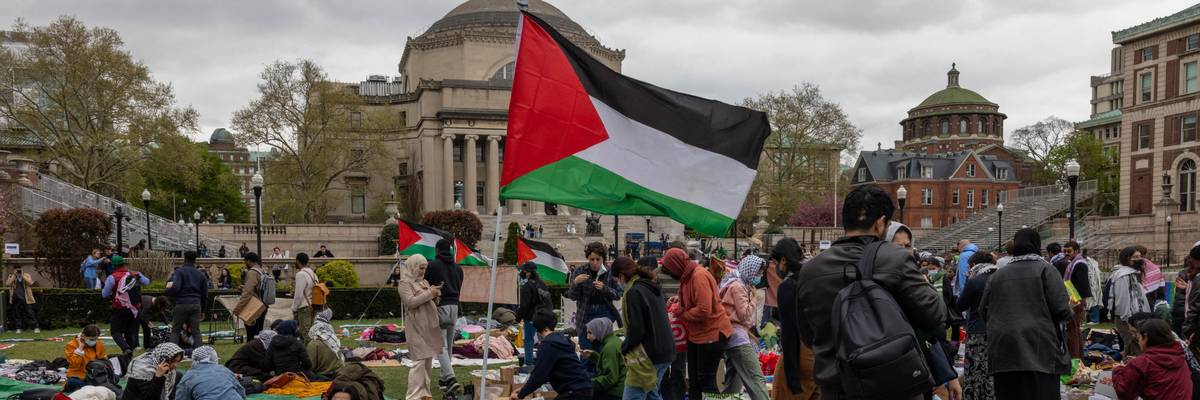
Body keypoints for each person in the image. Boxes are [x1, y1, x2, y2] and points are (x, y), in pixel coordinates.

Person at [793, 185, 945, 399]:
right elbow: (935, 317)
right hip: (893, 385)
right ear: (880, 223)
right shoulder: (896, 259)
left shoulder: (810, 270)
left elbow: (808, 336)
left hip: (838, 386)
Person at [979, 228, 1072, 400]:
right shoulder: (1047, 270)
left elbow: (983, 310)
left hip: (1003, 349)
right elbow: (1061, 309)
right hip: (1039, 349)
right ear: (1037, 245)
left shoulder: (997, 274)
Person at [661, 247, 734, 400]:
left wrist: (682, 313)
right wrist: (679, 300)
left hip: (712, 334)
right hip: (697, 335)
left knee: (706, 380)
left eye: (671, 270)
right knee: (694, 381)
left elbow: (704, 309)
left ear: (677, 265)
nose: (671, 275)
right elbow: (694, 299)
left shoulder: (698, 276)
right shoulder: (687, 276)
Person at [610, 256, 673, 400]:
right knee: (651, 394)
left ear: (621, 276)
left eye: (616, 280)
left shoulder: (634, 292)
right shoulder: (649, 286)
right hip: (664, 350)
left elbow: (637, 329)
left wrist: (624, 347)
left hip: (647, 355)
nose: (617, 284)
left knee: (633, 396)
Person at [770, 238, 819, 400]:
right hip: (820, 356)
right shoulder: (814, 278)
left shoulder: (788, 286)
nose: (775, 267)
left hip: (799, 354)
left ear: (783, 260)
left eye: (775, 262)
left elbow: (789, 333)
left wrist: (792, 378)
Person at [718, 255, 770, 400]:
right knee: (756, 379)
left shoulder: (733, 283)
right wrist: (754, 298)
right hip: (738, 340)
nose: (759, 276)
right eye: (758, 273)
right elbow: (744, 315)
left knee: (733, 382)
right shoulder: (738, 287)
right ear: (750, 270)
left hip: (732, 336)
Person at [510, 310, 593, 400]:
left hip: (574, 391)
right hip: (584, 387)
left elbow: (539, 375)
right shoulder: (562, 339)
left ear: (539, 328)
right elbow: (545, 374)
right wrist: (524, 389)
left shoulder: (547, 345)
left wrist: (520, 395)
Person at [565, 242, 622, 370]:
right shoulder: (580, 271)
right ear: (588, 258)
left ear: (603, 259)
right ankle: (587, 383)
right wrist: (575, 283)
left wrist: (605, 289)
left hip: (603, 316)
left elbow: (618, 294)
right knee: (586, 352)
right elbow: (572, 296)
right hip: (586, 315)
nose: (595, 262)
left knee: (603, 351)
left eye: (598, 259)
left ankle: (603, 379)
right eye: (592, 259)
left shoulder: (609, 272)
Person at [1113, 318, 1194, 400]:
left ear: (1146, 337)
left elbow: (1124, 392)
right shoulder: (1180, 357)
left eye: (1139, 338)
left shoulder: (1142, 363)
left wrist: (1117, 369)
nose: (1139, 342)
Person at [399, 254, 443, 400]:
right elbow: (411, 302)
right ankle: (413, 396)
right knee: (419, 361)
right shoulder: (404, 283)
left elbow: (428, 302)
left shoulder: (424, 282)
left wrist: (435, 295)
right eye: (421, 268)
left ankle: (425, 394)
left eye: (424, 268)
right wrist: (430, 293)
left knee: (428, 360)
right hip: (416, 327)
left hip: (429, 326)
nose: (423, 271)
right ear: (413, 266)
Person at [423, 239, 463, 394]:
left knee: (440, 346)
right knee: (448, 345)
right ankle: (443, 380)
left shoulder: (432, 265)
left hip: (440, 306)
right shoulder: (458, 268)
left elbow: (425, 285)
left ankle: (451, 378)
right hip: (454, 307)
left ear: (437, 250)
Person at [956, 251, 998, 400]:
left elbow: (960, 305)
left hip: (977, 330)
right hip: (999, 331)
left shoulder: (975, 281)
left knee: (976, 369)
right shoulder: (1002, 277)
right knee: (993, 369)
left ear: (974, 264)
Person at [101, 255, 150, 354]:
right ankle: (129, 354)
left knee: (115, 332)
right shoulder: (135, 273)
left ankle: (125, 349)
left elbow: (104, 294)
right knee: (129, 333)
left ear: (114, 265)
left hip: (120, 308)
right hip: (135, 309)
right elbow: (147, 282)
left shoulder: (112, 277)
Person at [1112, 245, 1153, 355]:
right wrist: (1127, 320)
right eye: (1135, 257)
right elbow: (1122, 299)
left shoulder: (1133, 274)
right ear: (1127, 259)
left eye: (1140, 256)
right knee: (1132, 347)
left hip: (1136, 317)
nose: (1139, 259)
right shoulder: (1123, 275)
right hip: (1127, 318)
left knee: (1136, 347)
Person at [166, 251, 209, 352]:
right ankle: (200, 354)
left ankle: (172, 354)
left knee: (176, 330)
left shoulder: (179, 272)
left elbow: (175, 288)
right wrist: (203, 310)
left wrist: (167, 290)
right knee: (196, 331)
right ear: (195, 259)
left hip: (181, 303)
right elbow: (205, 295)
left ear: (184, 258)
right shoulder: (200, 274)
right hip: (196, 304)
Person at [516, 261, 553, 366]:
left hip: (531, 317)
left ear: (527, 272)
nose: (522, 272)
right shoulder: (542, 284)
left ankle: (529, 363)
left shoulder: (527, 286)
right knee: (545, 340)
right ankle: (546, 361)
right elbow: (548, 301)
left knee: (529, 340)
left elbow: (524, 305)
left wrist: (518, 318)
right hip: (544, 316)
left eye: (523, 270)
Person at [1059, 241, 1091, 359]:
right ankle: (1077, 355)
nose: (1066, 253)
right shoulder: (1073, 263)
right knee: (1074, 329)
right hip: (1074, 298)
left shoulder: (1079, 264)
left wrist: (1073, 303)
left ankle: (1075, 356)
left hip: (1075, 300)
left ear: (1077, 251)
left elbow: (1081, 286)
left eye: (1069, 251)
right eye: (1065, 251)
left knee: (1073, 329)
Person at [176, 346, 245, 400]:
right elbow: (241, 392)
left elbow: (181, 397)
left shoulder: (188, 377)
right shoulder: (224, 370)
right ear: (214, 358)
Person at [583, 318, 624, 400]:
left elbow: (610, 379)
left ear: (599, 330)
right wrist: (593, 356)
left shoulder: (609, 347)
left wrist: (587, 383)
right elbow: (613, 365)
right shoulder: (616, 341)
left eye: (590, 333)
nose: (587, 337)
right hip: (621, 389)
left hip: (615, 392)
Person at [233, 252, 270, 342]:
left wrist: (237, 309)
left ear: (249, 261)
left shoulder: (252, 273)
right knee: (258, 335)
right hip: (262, 305)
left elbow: (247, 293)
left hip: (254, 307)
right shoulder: (261, 271)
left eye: (245, 261)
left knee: (252, 335)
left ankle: (252, 354)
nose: (245, 264)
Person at [64, 325, 107, 392]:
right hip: (79, 377)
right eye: (91, 339)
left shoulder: (99, 344)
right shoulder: (71, 345)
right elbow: (75, 364)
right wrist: (80, 348)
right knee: (72, 382)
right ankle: (95, 387)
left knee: (115, 377)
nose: (94, 341)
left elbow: (104, 361)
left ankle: (93, 387)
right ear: (83, 336)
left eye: (96, 339)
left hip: (95, 376)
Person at [307, 308, 344, 378]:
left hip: (324, 376)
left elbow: (310, 366)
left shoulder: (313, 344)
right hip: (339, 374)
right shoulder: (333, 339)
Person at [6, 263, 39, 333]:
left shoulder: (26, 275)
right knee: (17, 314)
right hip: (16, 298)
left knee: (30, 313)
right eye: (16, 269)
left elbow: (30, 283)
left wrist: (22, 276)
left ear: (22, 269)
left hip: (26, 298)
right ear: (14, 270)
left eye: (19, 268)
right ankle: (18, 328)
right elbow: (8, 284)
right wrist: (14, 276)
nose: (18, 270)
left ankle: (35, 327)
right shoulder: (11, 276)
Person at [293, 253, 316, 342]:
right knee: (310, 332)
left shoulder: (301, 274)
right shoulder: (312, 273)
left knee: (305, 333)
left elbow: (298, 294)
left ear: (298, 261)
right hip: (313, 305)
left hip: (304, 307)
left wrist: (294, 308)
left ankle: (310, 353)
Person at [1084, 249, 1104, 324]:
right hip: (1091, 284)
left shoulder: (1090, 262)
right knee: (1091, 301)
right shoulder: (1091, 262)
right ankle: (1091, 319)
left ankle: (1095, 320)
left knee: (1093, 301)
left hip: (1092, 285)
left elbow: (1092, 274)